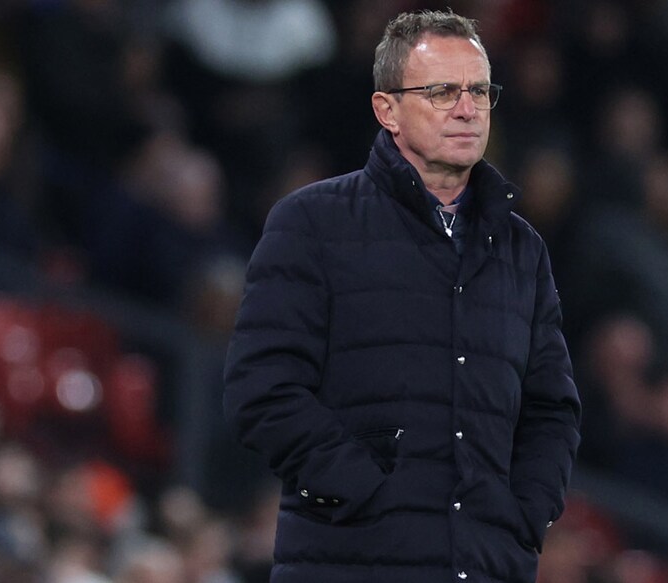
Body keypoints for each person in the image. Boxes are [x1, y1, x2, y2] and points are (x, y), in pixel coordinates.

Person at [222, 10, 582, 583]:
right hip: (350, 565)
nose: (468, 109)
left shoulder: (522, 250)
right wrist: (363, 494)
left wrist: (523, 515)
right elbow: (262, 391)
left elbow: (551, 411)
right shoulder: (311, 223)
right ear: (386, 109)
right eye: (442, 92)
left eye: (480, 91)